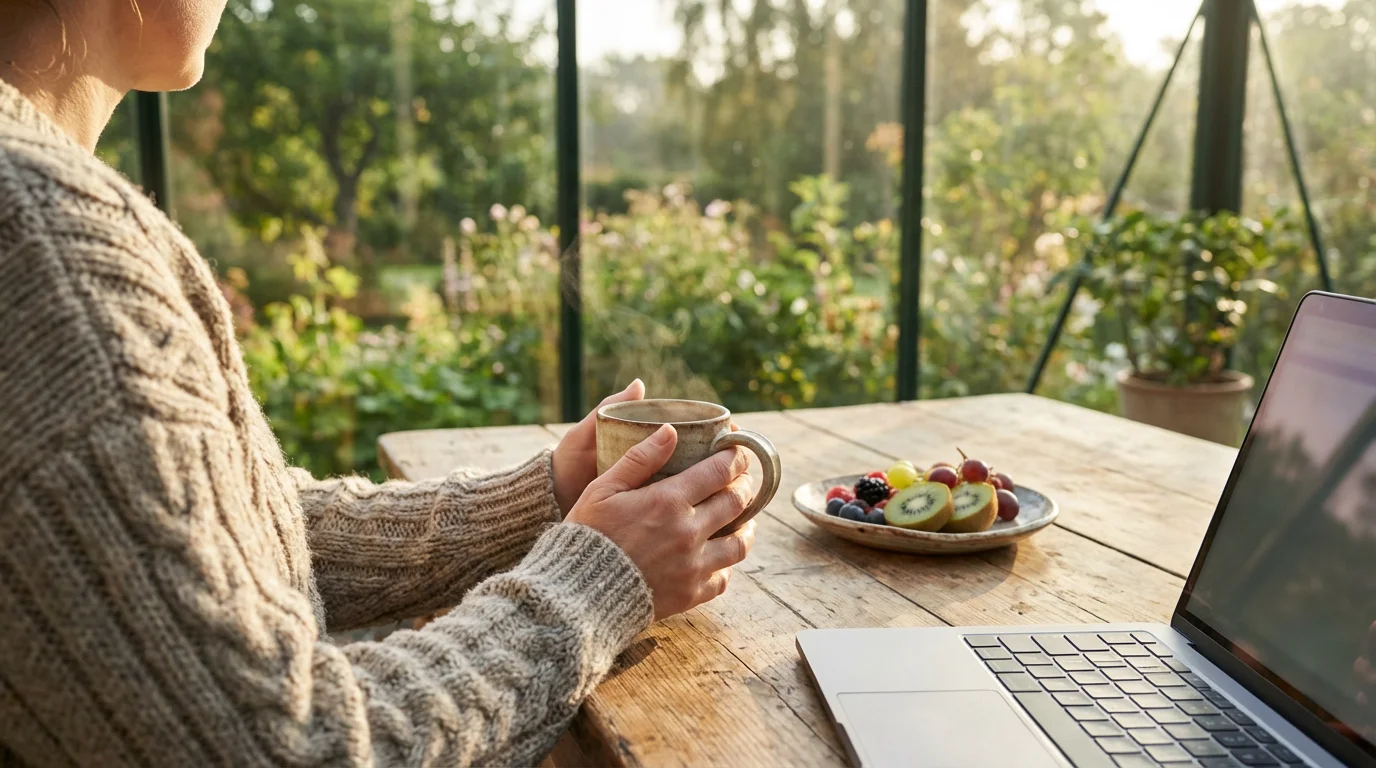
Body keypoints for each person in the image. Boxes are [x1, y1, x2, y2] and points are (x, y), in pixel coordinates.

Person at [0, 0, 758, 765]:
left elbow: (191, 541)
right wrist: (597, 585)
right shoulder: (43, 243)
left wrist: (543, 500)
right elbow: (285, 748)